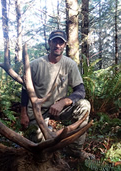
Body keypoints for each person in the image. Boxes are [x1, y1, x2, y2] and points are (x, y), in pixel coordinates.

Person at [20, 30, 95, 160]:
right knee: (41, 145)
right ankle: (49, 137)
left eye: (61, 42)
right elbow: (25, 91)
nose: (58, 45)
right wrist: (23, 113)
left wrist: (64, 102)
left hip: (59, 109)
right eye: (55, 41)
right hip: (39, 112)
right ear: (49, 43)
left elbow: (80, 91)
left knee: (84, 106)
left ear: (65, 45)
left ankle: (74, 150)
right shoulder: (35, 65)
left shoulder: (70, 64)